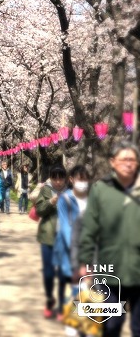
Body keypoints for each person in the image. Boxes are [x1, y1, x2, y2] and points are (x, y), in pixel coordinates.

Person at [78, 140, 140, 337]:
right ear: (113, 162)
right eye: (123, 160)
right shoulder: (101, 189)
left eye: (132, 159)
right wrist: (85, 263)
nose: (128, 164)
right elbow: (89, 228)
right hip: (110, 271)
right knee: (111, 326)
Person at [52, 165, 92, 321]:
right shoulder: (65, 198)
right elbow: (65, 227)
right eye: (79, 179)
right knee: (69, 281)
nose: (82, 182)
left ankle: (82, 318)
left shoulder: (93, 199)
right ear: (71, 179)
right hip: (68, 248)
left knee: (86, 283)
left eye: (85, 179)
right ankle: (67, 312)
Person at [35, 164, 68, 319]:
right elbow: (39, 210)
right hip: (48, 237)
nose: (58, 181)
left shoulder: (71, 191)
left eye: (60, 178)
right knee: (48, 273)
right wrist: (50, 203)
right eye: (55, 178)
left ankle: (61, 304)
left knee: (62, 273)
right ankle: (50, 299)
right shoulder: (46, 190)